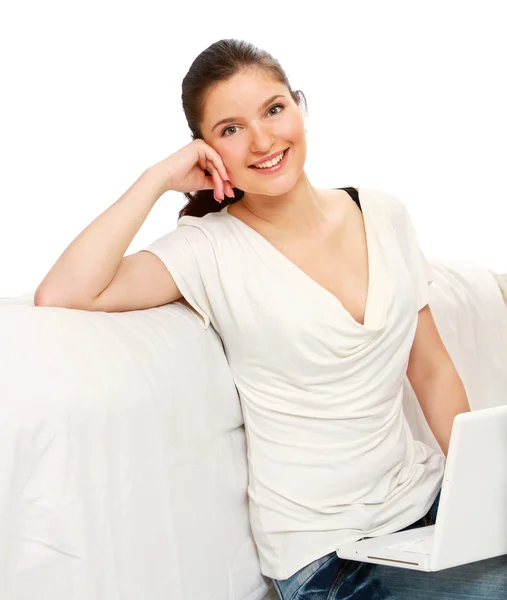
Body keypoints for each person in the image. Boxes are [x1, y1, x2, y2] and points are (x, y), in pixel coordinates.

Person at [34, 39, 506, 598]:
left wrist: (483, 497)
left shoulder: (383, 212)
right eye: (230, 130)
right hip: (328, 552)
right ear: (205, 151)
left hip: (427, 505)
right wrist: (156, 179)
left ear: (299, 107)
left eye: (274, 109)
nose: (262, 141)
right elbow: (65, 290)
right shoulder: (209, 250)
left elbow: (430, 369)